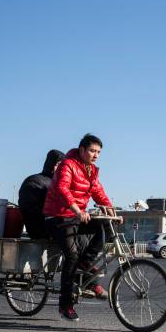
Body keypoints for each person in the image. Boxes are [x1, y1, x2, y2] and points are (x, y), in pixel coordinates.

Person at [43, 134, 118, 321]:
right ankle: (65, 305)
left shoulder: (91, 170)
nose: (96, 155)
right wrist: (77, 210)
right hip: (58, 217)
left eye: (99, 152)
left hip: (76, 217)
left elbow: (99, 193)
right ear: (82, 149)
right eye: (92, 151)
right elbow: (62, 189)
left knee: (107, 227)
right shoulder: (67, 164)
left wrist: (112, 212)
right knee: (72, 256)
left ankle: (85, 264)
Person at [18, 149, 65, 239]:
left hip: (40, 229)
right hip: (43, 230)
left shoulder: (35, 180)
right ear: (56, 165)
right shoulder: (37, 182)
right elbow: (31, 210)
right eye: (62, 166)